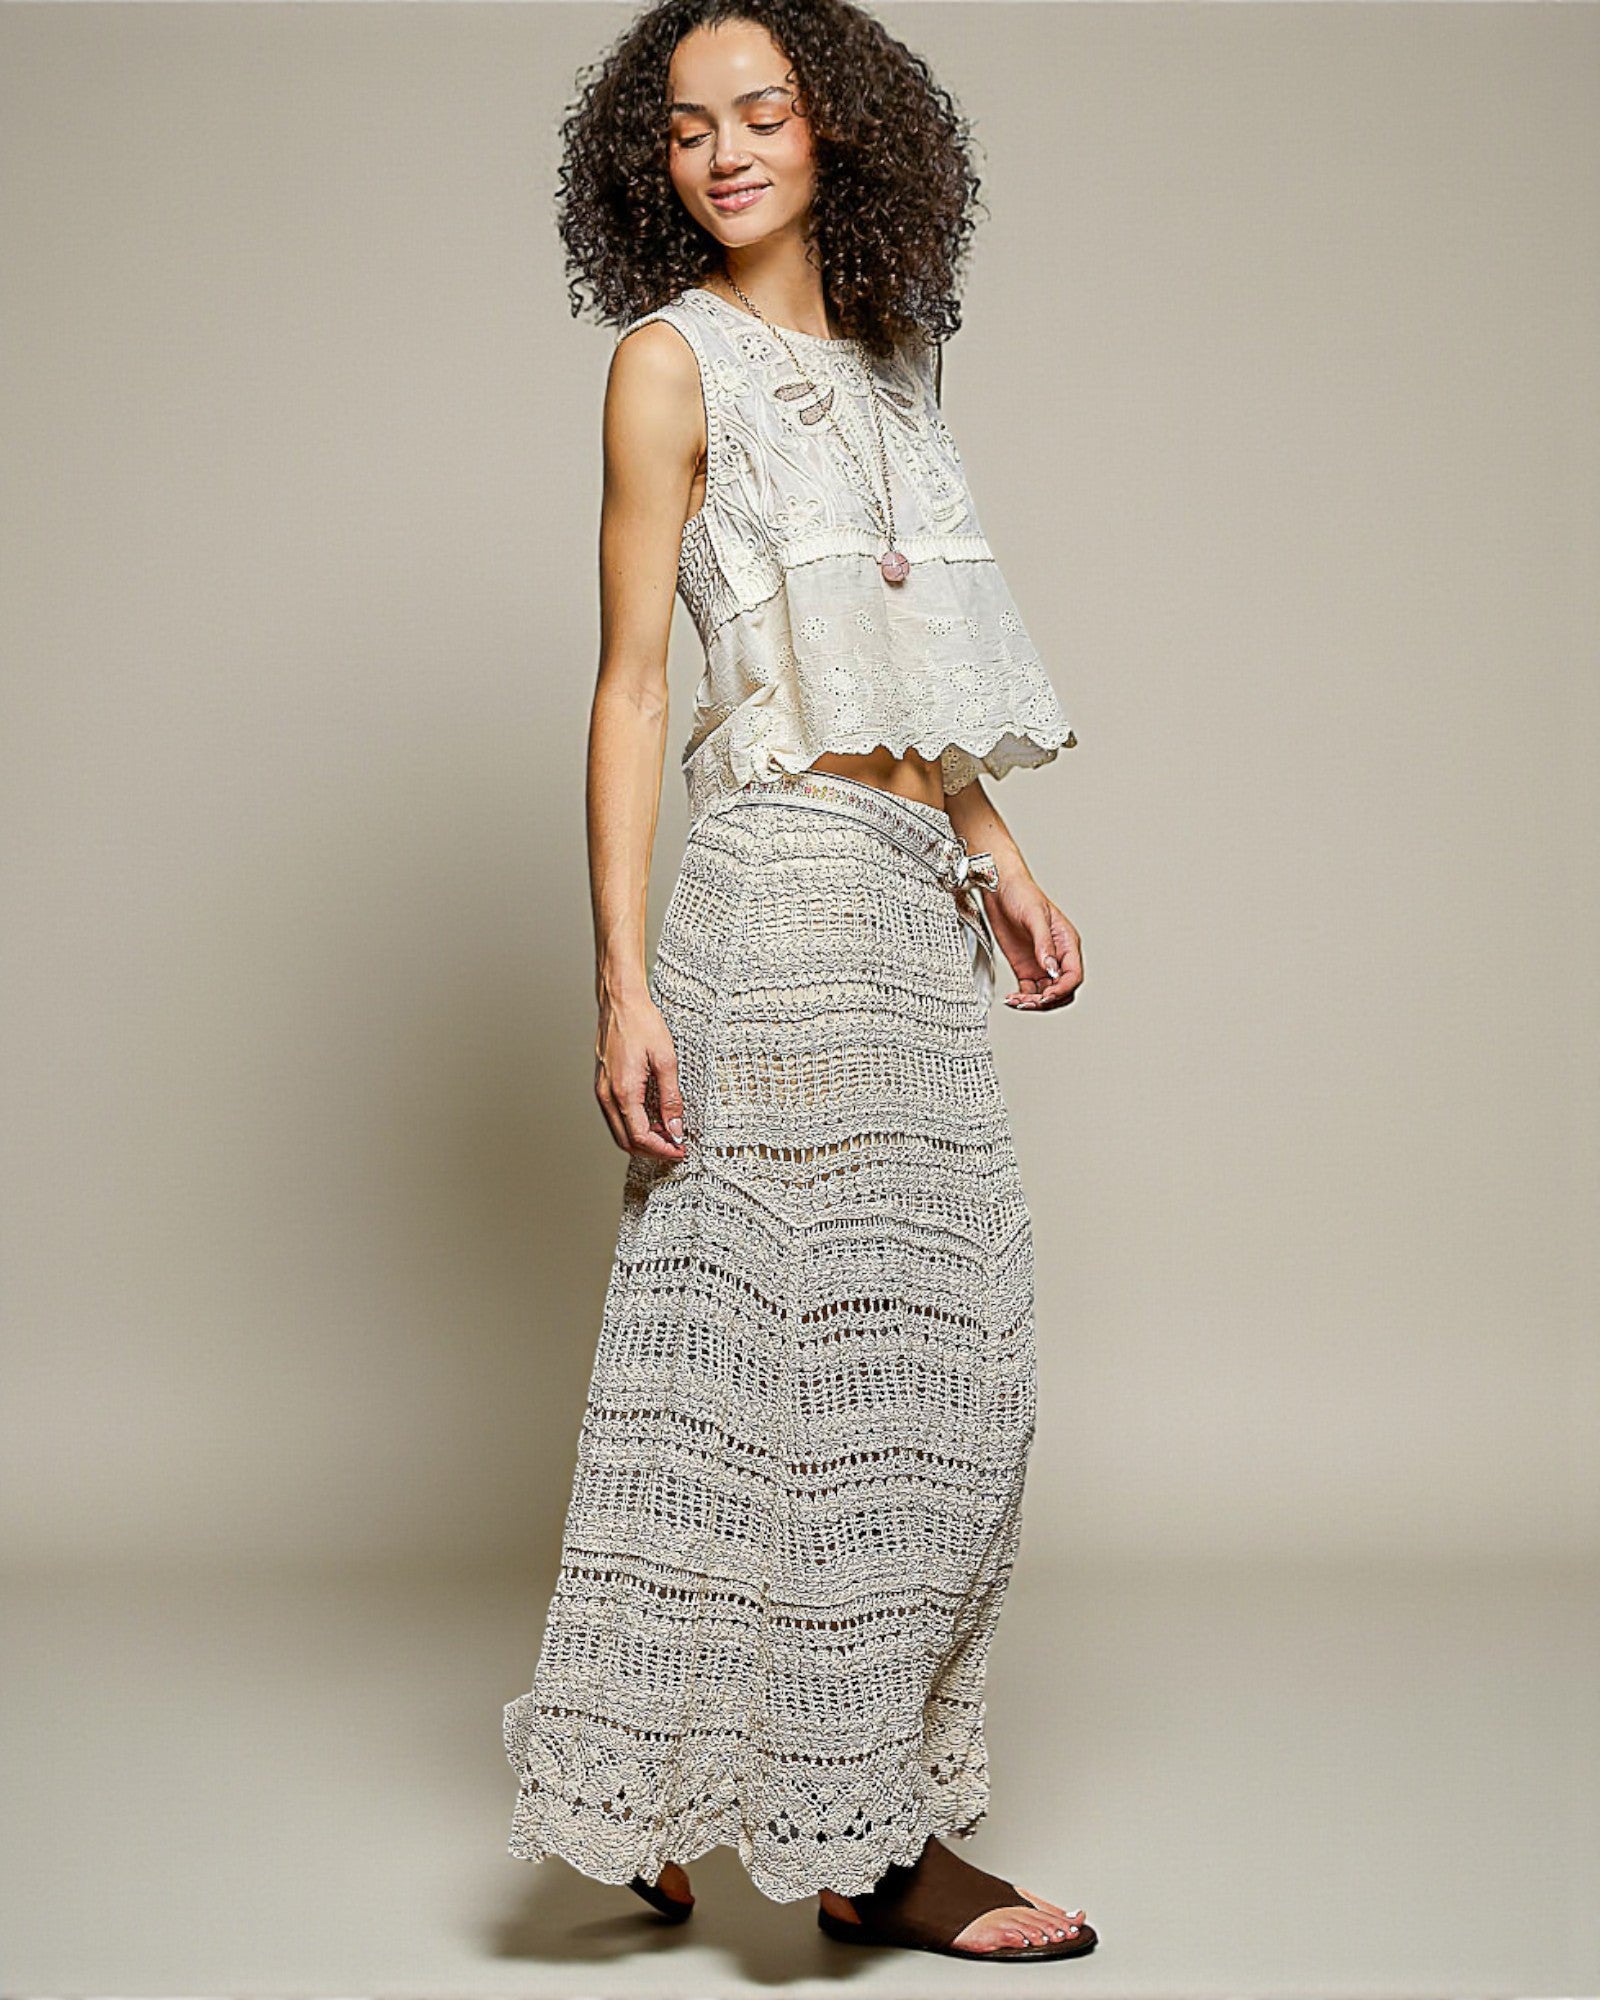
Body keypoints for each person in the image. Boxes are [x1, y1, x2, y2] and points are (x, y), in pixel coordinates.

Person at [502, 0, 1096, 1963]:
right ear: (648, 162)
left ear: (837, 130)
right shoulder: (667, 367)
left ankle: (717, 1787)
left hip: (901, 891)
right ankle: (863, 1852)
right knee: (778, 1357)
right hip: (766, 904)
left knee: (930, 1352)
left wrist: (996, 855)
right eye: (687, 127)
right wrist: (617, 981)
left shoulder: (899, 372)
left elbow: (901, 679)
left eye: (759, 112)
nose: (726, 150)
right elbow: (631, 683)